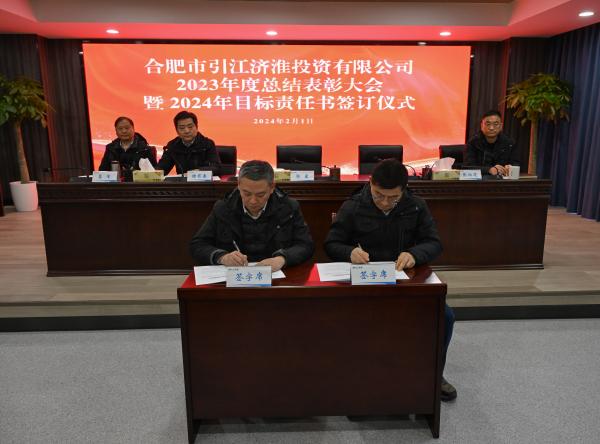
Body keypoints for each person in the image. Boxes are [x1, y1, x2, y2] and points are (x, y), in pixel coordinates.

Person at [324, 159, 457, 402]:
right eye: (379, 195)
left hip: (404, 282)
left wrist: (414, 254)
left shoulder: (416, 206)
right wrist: (349, 252)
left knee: (445, 316)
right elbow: (332, 243)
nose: (385, 202)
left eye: (393, 198)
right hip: (365, 283)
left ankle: (434, 374)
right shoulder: (353, 206)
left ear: (404, 190)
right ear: (370, 184)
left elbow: (434, 242)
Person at [190, 160, 314, 271]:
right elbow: (198, 244)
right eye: (247, 193)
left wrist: (282, 259)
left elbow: (306, 245)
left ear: (272, 187)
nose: (253, 201)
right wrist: (222, 257)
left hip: (276, 276)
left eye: (260, 195)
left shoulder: (289, 208)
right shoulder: (223, 208)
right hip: (235, 277)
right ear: (238, 185)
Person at [157, 111, 221, 175]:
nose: (186, 131)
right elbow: (162, 168)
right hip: (182, 181)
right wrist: (154, 173)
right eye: (182, 128)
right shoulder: (172, 145)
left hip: (202, 180)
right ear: (177, 131)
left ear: (196, 127)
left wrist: (198, 171)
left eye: (190, 127)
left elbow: (216, 168)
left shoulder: (207, 144)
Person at [465, 110, 519, 177]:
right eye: (488, 124)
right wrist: (489, 170)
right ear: (481, 126)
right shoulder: (473, 143)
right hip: (480, 181)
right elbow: (467, 167)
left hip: (502, 181)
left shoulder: (509, 143)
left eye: (495, 124)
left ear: (501, 126)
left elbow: (516, 164)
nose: (491, 128)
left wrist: (510, 167)